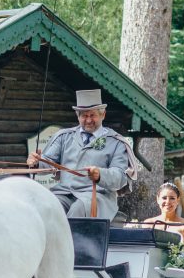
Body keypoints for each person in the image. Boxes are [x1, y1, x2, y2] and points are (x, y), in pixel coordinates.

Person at [26, 89, 132, 220]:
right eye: (84, 116)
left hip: (97, 196)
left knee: (79, 209)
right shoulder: (64, 137)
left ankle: (71, 241)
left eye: (92, 115)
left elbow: (120, 177)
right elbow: (47, 162)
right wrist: (36, 163)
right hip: (64, 193)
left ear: (103, 114)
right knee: (48, 206)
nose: (88, 120)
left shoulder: (116, 142)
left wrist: (100, 175)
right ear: (78, 116)